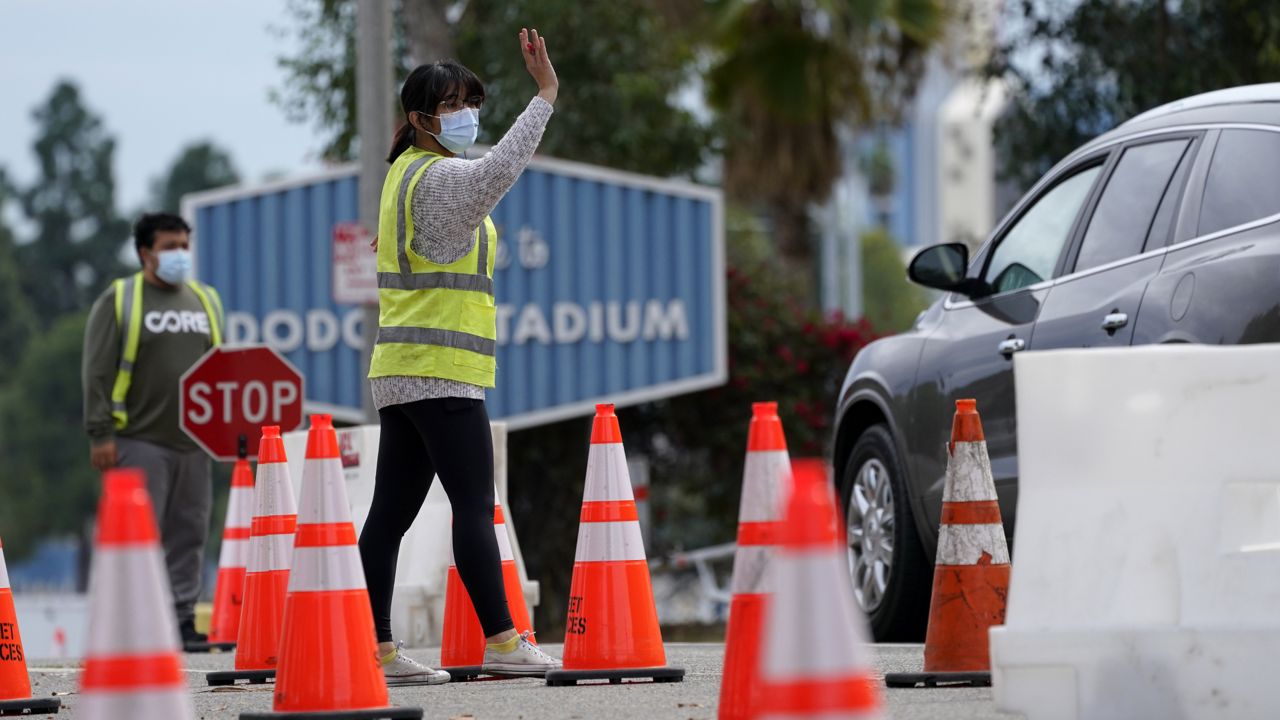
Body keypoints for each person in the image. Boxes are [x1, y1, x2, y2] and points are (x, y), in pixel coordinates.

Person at [358, 28, 561, 683]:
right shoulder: (443, 174)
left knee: (389, 515)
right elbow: (499, 171)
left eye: (472, 101)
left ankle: (378, 650)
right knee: (475, 506)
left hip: (399, 371)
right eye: (453, 105)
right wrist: (546, 96)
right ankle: (503, 642)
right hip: (442, 374)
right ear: (419, 120)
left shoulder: (402, 175)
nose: (467, 114)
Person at [82, 212, 224, 647]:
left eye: (184, 245)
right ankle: (131, 624)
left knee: (190, 530)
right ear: (145, 253)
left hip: (194, 442)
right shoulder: (121, 299)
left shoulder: (204, 300)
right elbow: (98, 370)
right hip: (139, 438)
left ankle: (181, 619)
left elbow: (221, 368)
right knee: (139, 534)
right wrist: (100, 432)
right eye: (169, 247)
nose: (179, 254)